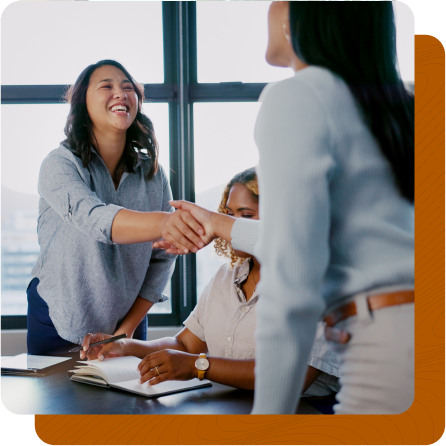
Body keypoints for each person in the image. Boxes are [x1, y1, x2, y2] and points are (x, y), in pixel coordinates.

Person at [156, 1, 414, 415]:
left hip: (380, 355)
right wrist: (218, 223)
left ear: (306, 18)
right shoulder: (401, 107)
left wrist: (268, 426)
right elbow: (321, 235)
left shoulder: (297, 96)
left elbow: (295, 271)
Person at [81, 167, 341, 400]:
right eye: (228, 215)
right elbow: (185, 345)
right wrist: (126, 345)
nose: (231, 227)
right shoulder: (225, 277)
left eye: (245, 216)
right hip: (229, 407)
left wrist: (197, 366)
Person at [27, 59, 205, 355]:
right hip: (58, 315)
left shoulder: (153, 173)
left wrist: (126, 330)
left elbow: (162, 257)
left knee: (126, 401)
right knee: (58, 400)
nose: (121, 93)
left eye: (127, 87)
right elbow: (93, 218)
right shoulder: (59, 164)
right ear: (82, 102)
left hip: (127, 318)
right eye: (106, 86)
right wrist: (164, 223)